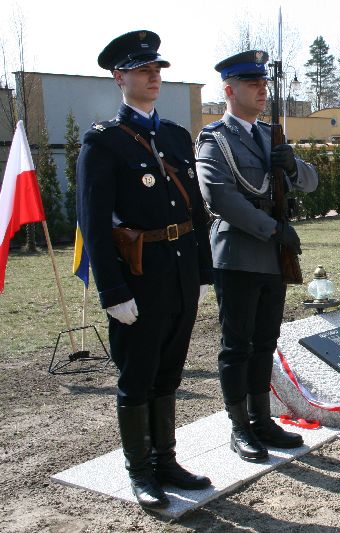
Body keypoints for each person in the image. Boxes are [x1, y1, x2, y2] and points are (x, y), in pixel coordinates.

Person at [76, 30, 213, 509]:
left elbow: (193, 209)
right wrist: (112, 291)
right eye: (142, 70)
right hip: (138, 276)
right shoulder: (104, 142)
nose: (154, 77)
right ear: (119, 77)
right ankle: (140, 471)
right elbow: (93, 224)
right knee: (138, 373)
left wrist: (202, 270)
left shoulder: (175, 136)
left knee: (170, 370)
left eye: (157, 69)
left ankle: (166, 460)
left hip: (177, 273)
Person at [196, 51, 319, 463]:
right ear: (229, 90)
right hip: (238, 254)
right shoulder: (215, 139)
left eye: (264, 83)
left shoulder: (270, 135)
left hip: (273, 257)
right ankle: (239, 427)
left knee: (266, 341)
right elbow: (219, 196)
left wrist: (294, 166)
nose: (262, 90)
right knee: (237, 345)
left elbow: (311, 182)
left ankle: (262, 419)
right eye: (252, 84)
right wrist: (273, 230)